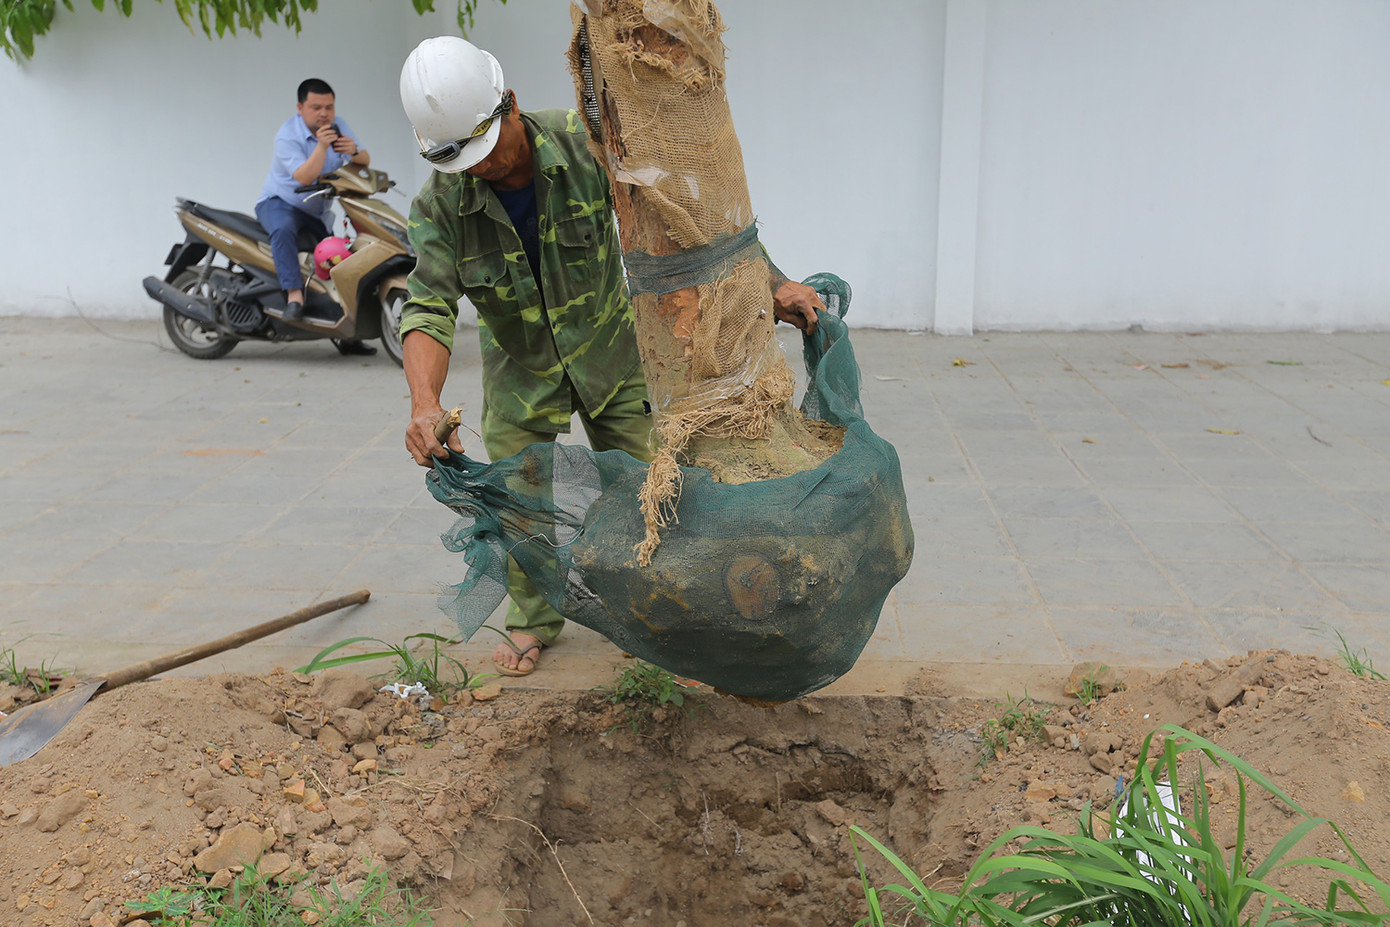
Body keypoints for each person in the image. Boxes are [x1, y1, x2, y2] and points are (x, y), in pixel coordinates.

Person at [397, 36, 823, 676]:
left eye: (487, 150)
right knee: (519, 501)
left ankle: (666, 614)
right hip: (521, 374)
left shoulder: (586, 145)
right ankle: (532, 622)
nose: (480, 168)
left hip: (613, 359)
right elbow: (428, 306)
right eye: (463, 161)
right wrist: (424, 403)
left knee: (659, 489)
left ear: (509, 105)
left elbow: (691, 220)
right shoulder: (440, 205)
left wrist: (774, 282)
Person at [255, 77, 377, 356]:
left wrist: (354, 152)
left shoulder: (339, 125)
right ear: (300, 108)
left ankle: (347, 335)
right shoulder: (287, 136)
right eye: (316, 107)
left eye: (329, 107)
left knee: (336, 259)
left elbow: (365, 159)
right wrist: (322, 147)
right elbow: (304, 176)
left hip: (316, 211)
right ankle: (294, 297)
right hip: (280, 203)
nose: (324, 114)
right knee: (284, 230)